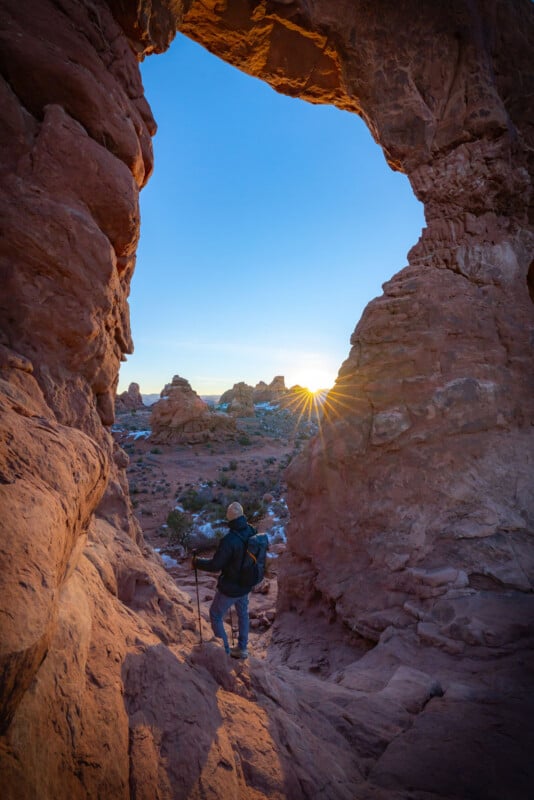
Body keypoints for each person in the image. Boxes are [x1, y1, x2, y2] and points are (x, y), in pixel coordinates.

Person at [192, 501, 254, 659]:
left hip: (231, 588)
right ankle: (242, 648)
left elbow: (215, 565)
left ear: (230, 518)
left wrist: (197, 562)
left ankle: (225, 651)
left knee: (215, 614)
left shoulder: (229, 540)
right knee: (243, 615)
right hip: (246, 583)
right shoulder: (252, 530)